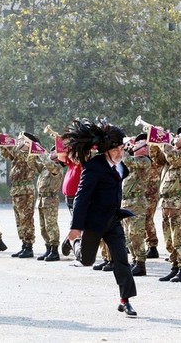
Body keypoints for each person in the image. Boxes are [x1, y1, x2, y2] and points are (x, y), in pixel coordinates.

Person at [63, 118, 137, 317]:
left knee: (122, 260)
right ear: (105, 150)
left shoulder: (121, 166)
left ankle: (126, 300)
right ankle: (74, 243)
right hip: (94, 223)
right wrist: (76, 227)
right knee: (87, 261)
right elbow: (81, 197)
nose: (120, 153)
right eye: (115, 150)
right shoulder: (94, 166)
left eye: (122, 149)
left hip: (113, 220)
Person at [155, 127, 181, 282]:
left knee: (179, 237)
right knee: (168, 238)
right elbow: (158, 159)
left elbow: (172, 157)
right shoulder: (172, 154)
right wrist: (156, 141)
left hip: (179, 202)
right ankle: (174, 266)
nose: (177, 137)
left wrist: (164, 141)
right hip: (167, 202)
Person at [0, 132, 40, 258]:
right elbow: (7, 154)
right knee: (19, 219)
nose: (19, 142)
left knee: (26, 219)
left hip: (25, 190)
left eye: (22, 140)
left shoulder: (29, 153)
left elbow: (17, 153)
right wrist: (2, 143)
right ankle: (24, 244)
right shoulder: (18, 153)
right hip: (17, 189)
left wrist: (10, 143)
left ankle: (29, 246)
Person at [120, 134, 152, 276]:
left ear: (145, 149)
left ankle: (140, 263)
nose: (136, 144)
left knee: (136, 234)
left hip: (137, 202)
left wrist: (122, 147)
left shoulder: (145, 161)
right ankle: (134, 260)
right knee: (128, 234)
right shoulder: (133, 162)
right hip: (127, 201)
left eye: (140, 143)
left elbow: (126, 159)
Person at [28, 146, 63, 262]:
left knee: (51, 225)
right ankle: (48, 248)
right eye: (51, 150)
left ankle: (54, 250)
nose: (52, 152)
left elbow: (48, 163)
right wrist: (32, 151)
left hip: (50, 199)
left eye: (55, 151)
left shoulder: (57, 167)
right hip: (41, 199)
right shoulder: (44, 168)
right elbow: (31, 164)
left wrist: (41, 152)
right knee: (43, 227)